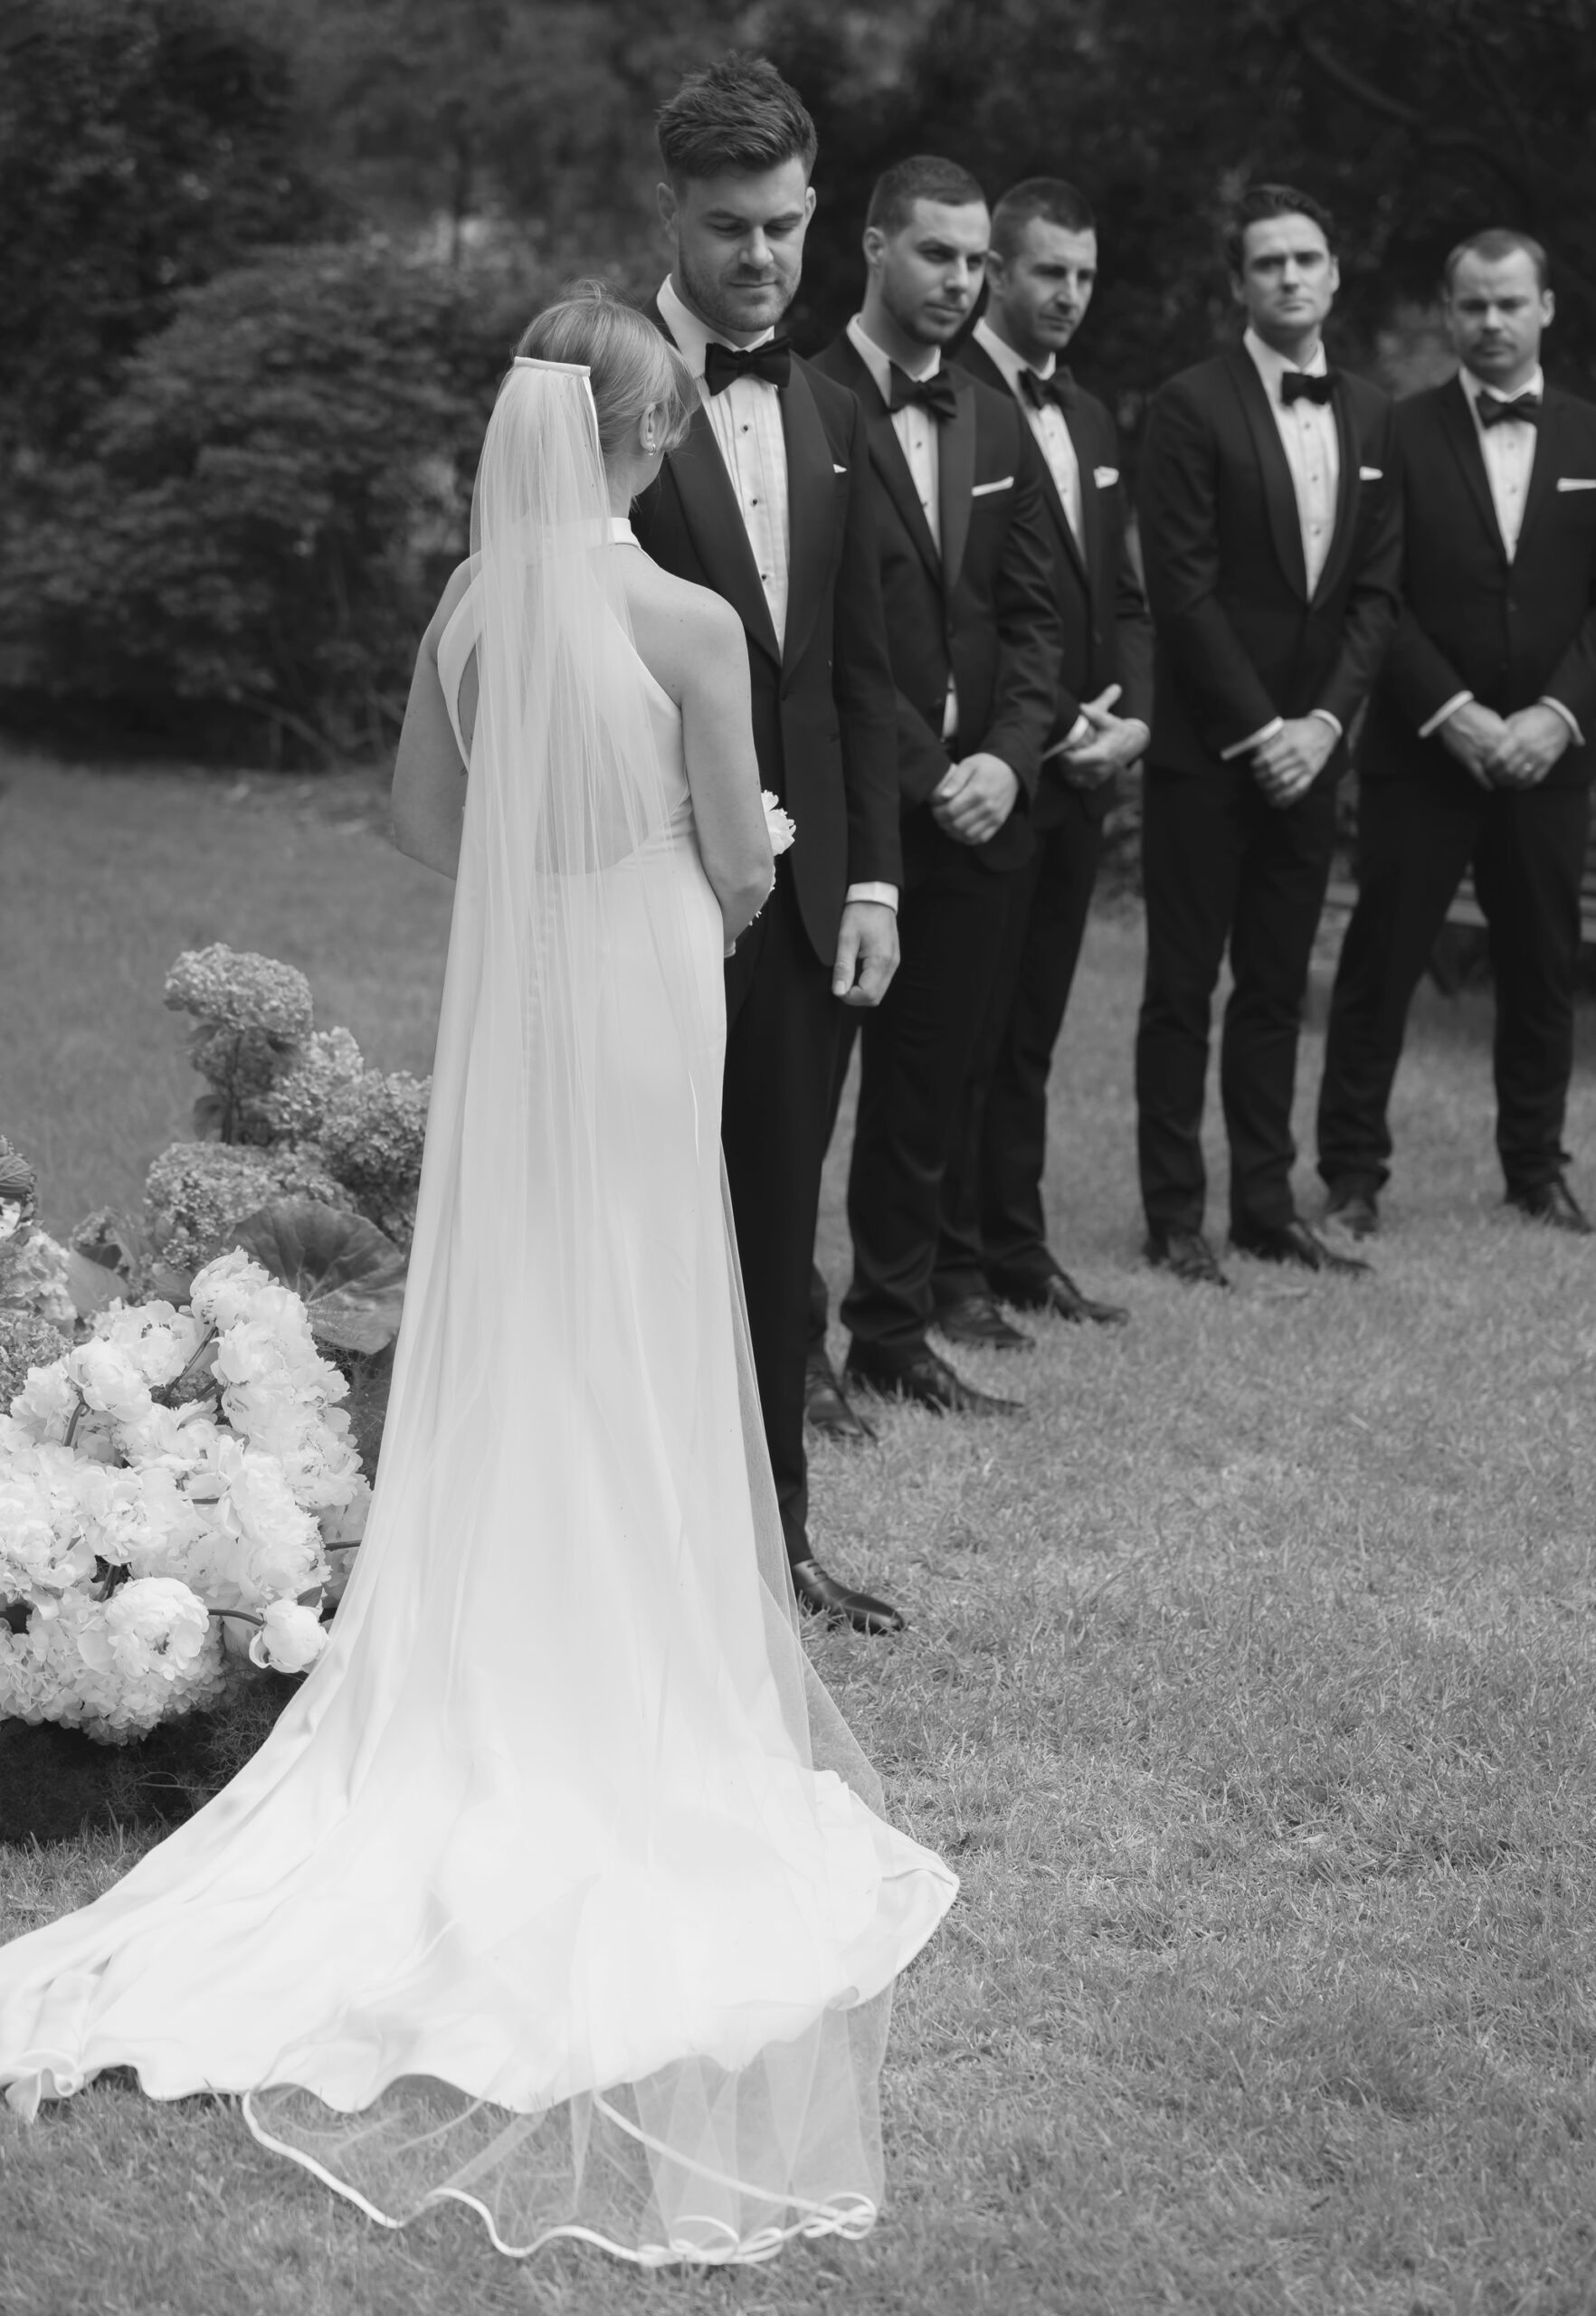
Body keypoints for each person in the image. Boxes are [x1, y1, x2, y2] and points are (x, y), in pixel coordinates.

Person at [0, 293, 957, 2267]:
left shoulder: (466, 611)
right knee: (644, 1306)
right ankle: (629, 1665)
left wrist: (554, 846)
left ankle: (487, 1647)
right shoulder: (687, 619)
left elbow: (424, 828)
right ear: (645, 423)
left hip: (521, 994)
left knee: (521, 1311)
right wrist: (756, 837)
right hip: (638, 1001)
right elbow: (742, 863)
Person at [632, 53, 907, 1631]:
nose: (760, 257)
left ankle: (770, 1544)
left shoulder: (825, 404)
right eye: (730, 226)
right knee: (633, 1217)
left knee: (770, 1219)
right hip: (640, 894)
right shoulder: (589, 394)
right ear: (668, 210)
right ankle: (632, 1537)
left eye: (786, 224)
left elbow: (855, 666)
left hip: (805, 907)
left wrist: (868, 873)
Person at [1316, 228, 1596, 1237]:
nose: (1490, 322)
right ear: (1446, 313)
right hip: (1422, 752)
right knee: (1381, 960)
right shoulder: (1394, 431)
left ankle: (1535, 1170)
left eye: (1509, 303)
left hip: (1550, 758)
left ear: (1545, 307)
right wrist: (1451, 713)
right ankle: (1350, 1174)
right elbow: (1372, 590)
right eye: (1471, 305)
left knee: (1542, 965)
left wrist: (1553, 717)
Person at [812, 156, 1063, 1416]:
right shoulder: (800, 403)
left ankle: (893, 1335)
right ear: (871, 246)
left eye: (974, 260)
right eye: (936, 255)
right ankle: (788, 1355)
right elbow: (810, 639)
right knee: (800, 1106)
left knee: (929, 1093)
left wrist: (1007, 763)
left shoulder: (995, 415)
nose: (961, 282)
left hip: (980, 821)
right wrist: (929, 767)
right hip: (848, 816)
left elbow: (1036, 618)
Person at [1133, 182, 1402, 1286]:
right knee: (1181, 985)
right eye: (1266, 264)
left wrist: (1326, 724)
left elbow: (1375, 594)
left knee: (1278, 989)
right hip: (1209, 754)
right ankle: (1171, 1218)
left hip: (1315, 752)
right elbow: (1183, 593)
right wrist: (1264, 731)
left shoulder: (1376, 413)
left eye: (1307, 258)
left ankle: (1262, 1203)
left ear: (1333, 273)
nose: (1289, 277)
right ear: (1237, 285)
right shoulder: (1186, 406)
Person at [932, 176, 1153, 1344]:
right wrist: (1036, 726)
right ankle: (948, 1271)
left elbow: (1123, 596)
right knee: (964, 1037)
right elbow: (964, 604)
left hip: (1087, 773)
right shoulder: (947, 401)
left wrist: (1136, 721)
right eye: (1045, 274)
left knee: (1032, 1036)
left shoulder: (1099, 417)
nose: (1066, 295)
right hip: (996, 766)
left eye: (1083, 276)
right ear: (995, 276)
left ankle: (1017, 1250)